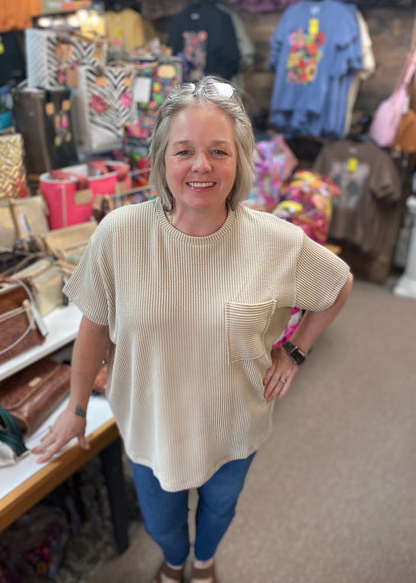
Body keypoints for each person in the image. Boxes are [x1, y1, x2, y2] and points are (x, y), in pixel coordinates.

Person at [33, 76, 353, 583]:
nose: (201, 165)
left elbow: (338, 285)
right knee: (162, 524)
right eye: (184, 150)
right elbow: (93, 325)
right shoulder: (121, 234)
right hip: (151, 426)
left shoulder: (275, 241)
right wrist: (75, 411)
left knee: (219, 512)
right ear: (162, 159)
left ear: (240, 160)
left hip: (234, 427)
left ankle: (202, 565)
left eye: (218, 151)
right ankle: (174, 561)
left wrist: (294, 351)